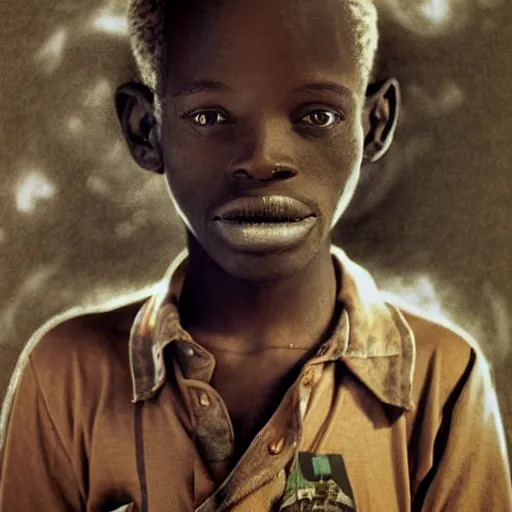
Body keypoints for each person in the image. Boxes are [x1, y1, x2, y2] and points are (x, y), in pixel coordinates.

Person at [0, 0, 510, 510]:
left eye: (317, 114)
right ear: (145, 129)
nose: (263, 158)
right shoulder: (66, 374)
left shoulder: (442, 379)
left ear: (374, 125)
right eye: (209, 116)